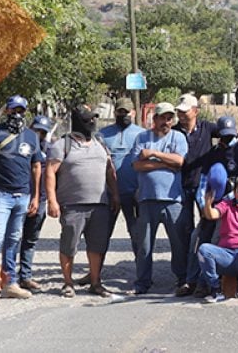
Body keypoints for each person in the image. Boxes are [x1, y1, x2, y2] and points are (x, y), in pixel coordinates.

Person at [0, 95, 42, 305]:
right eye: (14, 110)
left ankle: (9, 283)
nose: (17, 115)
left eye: (21, 111)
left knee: (13, 240)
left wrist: (36, 196)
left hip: (22, 195)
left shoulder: (32, 136)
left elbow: (36, 166)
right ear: (6, 111)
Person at [47, 108, 118, 298]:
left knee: (97, 246)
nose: (92, 123)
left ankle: (95, 283)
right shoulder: (63, 145)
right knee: (69, 245)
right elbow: (50, 172)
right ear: (78, 121)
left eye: (94, 119)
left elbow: (110, 172)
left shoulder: (100, 143)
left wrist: (116, 195)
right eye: (88, 120)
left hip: (100, 204)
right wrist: (52, 200)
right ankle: (68, 283)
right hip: (72, 205)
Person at [187, 115, 238, 295]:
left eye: (230, 136)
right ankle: (192, 280)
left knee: (220, 242)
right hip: (212, 206)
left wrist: (231, 199)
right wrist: (202, 205)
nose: (227, 140)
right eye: (224, 136)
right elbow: (203, 182)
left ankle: (211, 282)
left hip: (233, 207)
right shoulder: (213, 153)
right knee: (197, 240)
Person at [128, 102, 188, 296]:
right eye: (162, 117)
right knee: (144, 245)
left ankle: (182, 279)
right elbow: (137, 165)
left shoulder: (178, 137)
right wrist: (164, 164)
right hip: (147, 199)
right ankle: (142, 282)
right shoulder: (142, 137)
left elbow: (179, 161)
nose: (166, 121)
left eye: (170, 118)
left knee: (178, 243)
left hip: (173, 199)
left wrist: (153, 154)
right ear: (154, 119)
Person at [173, 93, 218, 297]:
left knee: (204, 232)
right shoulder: (173, 132)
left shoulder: (208, 129)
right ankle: (184, 278)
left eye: (185, 111)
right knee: (183, 232)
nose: (181, 114)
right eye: (179, 112)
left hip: (202, 188)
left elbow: (227, 132)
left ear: (196, 111)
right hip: (180, 187)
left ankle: (203, 278)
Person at [100, 99, 146, 256]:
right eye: (120, 111)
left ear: (133, 112)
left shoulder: (142, 134)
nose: (124, 115)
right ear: (115, 113)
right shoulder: (102, 134)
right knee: (101, 236)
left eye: (126, 112)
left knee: (137, 236)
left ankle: (142, 275)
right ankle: (95, 274)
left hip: (134, 193)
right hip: (108, 194)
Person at [14, 115, 55, 293]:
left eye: (42, 132)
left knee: (30, 240)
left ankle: (25, 276)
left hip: (41, 200)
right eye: (36, 130)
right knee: (13, 238)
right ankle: (8, 277)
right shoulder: (19, 146)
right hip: (19, 197)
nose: (39, 134)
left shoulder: (51, 150)